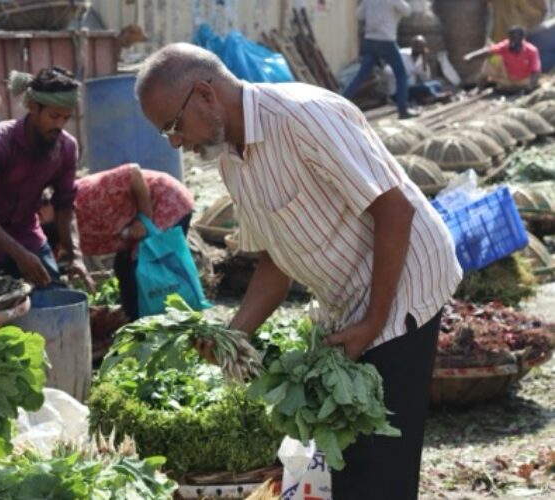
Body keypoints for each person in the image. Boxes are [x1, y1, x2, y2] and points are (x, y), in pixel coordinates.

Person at [135, 43, 462, 499]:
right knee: (346, 457)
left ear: (206, 95)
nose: (174, 142)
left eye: (172, 125)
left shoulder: (304, 117)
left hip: (404, 284)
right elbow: (276, 260)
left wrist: (372, 322)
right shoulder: (233, 161)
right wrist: (235, 334)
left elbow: (395, 210)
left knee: (381, 469)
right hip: (349, 299)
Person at [0, 67, 92, 289]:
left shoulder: (66, 148)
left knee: (53, 296)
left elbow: (64, 206)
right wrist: (20, 255)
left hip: (27, 234)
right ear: (32, 106)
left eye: (66, 118)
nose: (59, 125)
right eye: (54, 116)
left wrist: (75, 255)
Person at [73, 163, 195, 320]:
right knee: (123, 267)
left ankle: (162, 323)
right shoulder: (52, 232)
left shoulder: (85, 196)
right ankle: (136, 321)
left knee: (142, 271)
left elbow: (133, 173)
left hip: (165, 202)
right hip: (132, 226)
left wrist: (144, 218)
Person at [343, 0, 416, 118]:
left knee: (361, 76)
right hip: (386, 40)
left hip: (370, 40)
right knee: (401, 74)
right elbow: (407, 11)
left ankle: (340, 102)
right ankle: (403, 110)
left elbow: (359, 15)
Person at [466, 25, 541, 94]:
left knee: (529, 83)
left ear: (522, 37)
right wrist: (471, 56)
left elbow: (536, 70)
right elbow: (489, 50)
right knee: (492, 58)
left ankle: (514, 89)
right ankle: (479, 88)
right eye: (511, 38)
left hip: (523, 82)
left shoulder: (532, 50)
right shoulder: (505, 45)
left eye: (516, 38)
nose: (513, 41)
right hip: (507, 79)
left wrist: (530, 86)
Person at [387, 35, 450, 105]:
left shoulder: (420, 59)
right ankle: (435, 96)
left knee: (437, 84)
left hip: (413, 89)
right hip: (399, 92)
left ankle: (426, 98)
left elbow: (425, 78)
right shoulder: (401, 54)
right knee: (425, 87)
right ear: (412, 46)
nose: (418, 48)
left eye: (421, 47)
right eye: (416, 46)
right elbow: (388, 70)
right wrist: (403, 74)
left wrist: (424, 61)